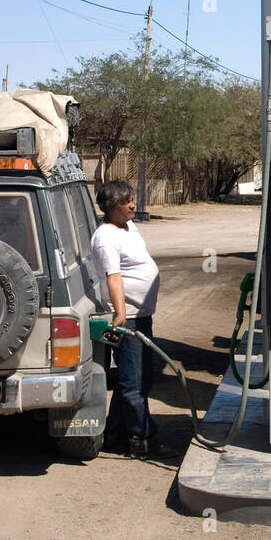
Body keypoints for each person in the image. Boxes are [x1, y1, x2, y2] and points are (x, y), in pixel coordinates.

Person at [90, 180, 176, 459]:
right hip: (130, 319)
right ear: (112, 207)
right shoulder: (105, 238)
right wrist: (121, 313)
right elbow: (112, 277)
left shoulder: (128, 227)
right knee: (133, 382)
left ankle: (113, 433)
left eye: (131, 199)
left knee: (140, 377)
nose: (132, 205)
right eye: (126, 201)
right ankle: (143, 440)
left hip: (142, 316)